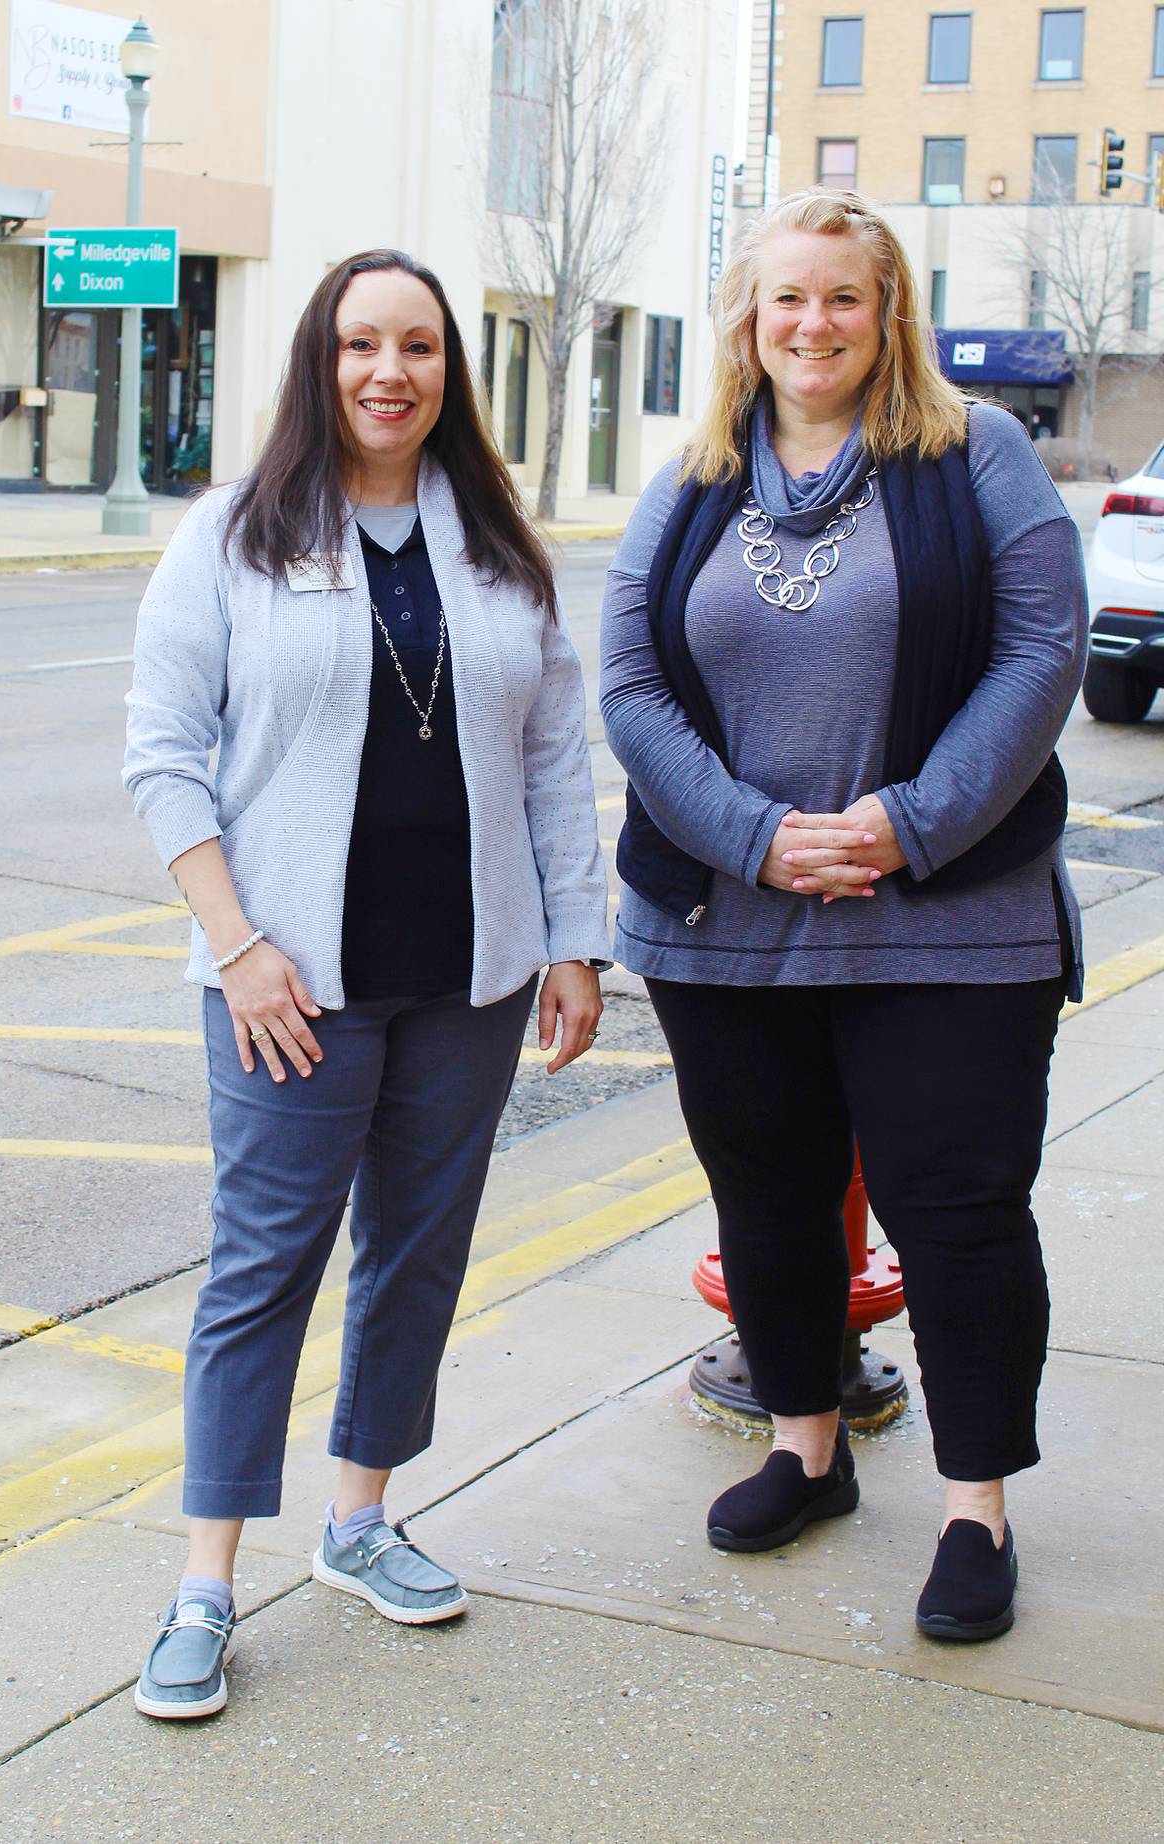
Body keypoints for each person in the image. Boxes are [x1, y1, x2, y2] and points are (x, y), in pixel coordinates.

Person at [122, 248, 609, 1718]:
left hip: (468, 978)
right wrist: (238, 943)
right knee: (261, 1268)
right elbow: (162, 756)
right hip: (288, 986)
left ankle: (359, 1519)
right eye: (358, 346)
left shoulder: (499, 546)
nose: (388, 373)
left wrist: (574, 944)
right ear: (318, 365)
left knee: (418, 1256)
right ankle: (203, 1585)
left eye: (417, 347)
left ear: (447, 372)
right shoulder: (233, 536)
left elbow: (553, 762)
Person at [600, 189, 1086, 1643]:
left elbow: (1045, 650)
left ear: (890, 318)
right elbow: (625, 682)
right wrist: (756, 836)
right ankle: (805, 1451)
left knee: (958, 1216)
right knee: (771, 1203)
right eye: (785, 299)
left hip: (950, 918)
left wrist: (905, 822)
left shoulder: (973, 455)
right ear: (748, 317)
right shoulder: (691, 475)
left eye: (843, 299)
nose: (811, 325)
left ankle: (975, 1507)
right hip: (727, 921)